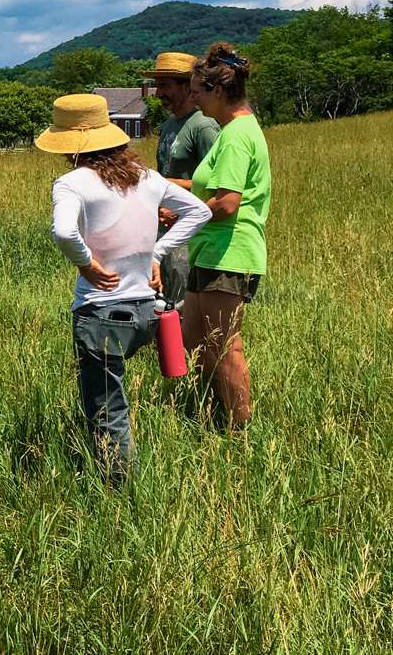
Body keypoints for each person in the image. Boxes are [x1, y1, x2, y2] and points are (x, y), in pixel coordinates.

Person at [37, 95, 210, 482]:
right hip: (147, 313)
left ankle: (116, 492)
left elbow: (64, 231)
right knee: (115, 403)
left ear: (70, 145)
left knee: (107, 411)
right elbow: (200, 211)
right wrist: (157, 252)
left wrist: (85, 263)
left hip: (101, 315)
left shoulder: (71, 182)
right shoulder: (148, 177)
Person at [184, 43, 271, 429]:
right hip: (208, 250)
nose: (191, 97)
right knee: (195, 338)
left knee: (225, 344)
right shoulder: (230, 131)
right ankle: (208, 414)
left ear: (217, 92)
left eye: (196, 90)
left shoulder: (236, 135)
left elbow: (228, 202)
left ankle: (238, 431)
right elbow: (207, 187)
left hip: (229, 252)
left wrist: (183, 217)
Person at [140, 52, 220, 311]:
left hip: (188, 229)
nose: (157, 93)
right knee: (161, 299)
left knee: (184, 302)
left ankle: (187, 351)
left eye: (165, 86)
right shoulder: (168, 125)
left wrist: (165, 185)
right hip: (162, 229)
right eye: (156, 85)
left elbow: (214, 182)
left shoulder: (204, 126)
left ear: (187, 86)